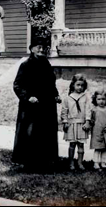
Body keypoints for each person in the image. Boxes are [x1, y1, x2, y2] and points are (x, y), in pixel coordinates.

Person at [12, 38, 61, 172]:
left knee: (46, 133)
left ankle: (46, 162)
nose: (41, 49)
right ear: (31, 48)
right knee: (31, 133)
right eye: (38, 47)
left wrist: (56, 94)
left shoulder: (46, 64)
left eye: (43, 47)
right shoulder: (25, 65)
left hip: (47, 104)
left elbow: (51, 83)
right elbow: (17, 85)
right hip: (32, 106)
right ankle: (29, 163)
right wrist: (28, 97)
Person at [61, 74, 92, 171]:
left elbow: (88, 110)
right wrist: (65, 122)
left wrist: (87, 122)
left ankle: (80, 162)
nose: (80, 87)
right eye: (78, 85)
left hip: (82, 124)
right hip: (71, 124)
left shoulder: (86, 97)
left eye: (82, 85)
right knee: (72, 144)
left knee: (81, 144)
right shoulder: (68, 98)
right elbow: (64, 111)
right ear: (73, 85)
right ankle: (71, 163)